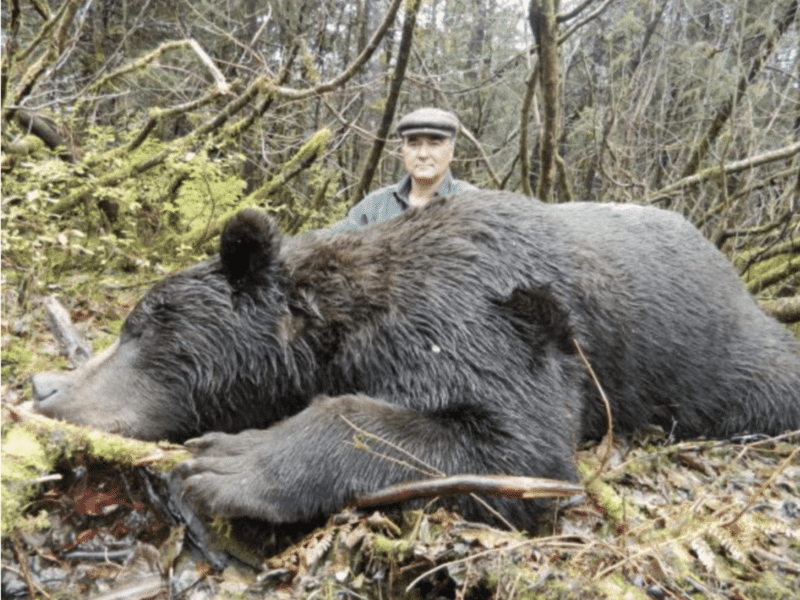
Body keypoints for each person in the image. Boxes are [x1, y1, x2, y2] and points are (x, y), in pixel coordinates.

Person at [329, 107, 476, 231]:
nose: (423, 154)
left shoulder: (471, 204)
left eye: (434, 144)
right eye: (413, 144)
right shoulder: (376, 206)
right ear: (402, 151)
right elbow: (333, 239)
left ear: (451, 152)